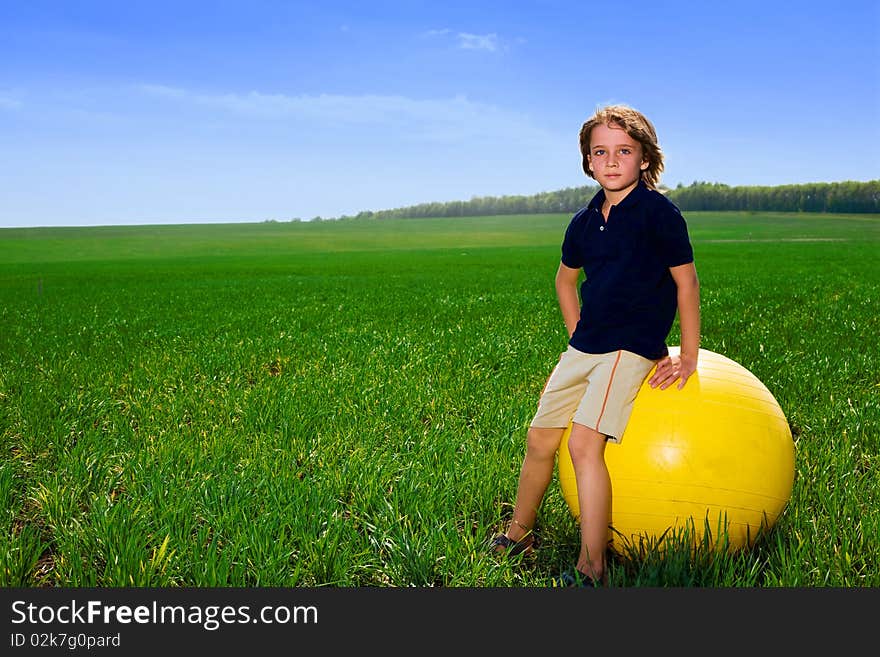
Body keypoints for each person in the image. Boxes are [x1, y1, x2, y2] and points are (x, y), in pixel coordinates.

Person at [491, 104, 700, 586]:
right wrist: (576, 335)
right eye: (600, 152)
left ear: (645, 158)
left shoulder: (660, 214)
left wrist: (687, 355)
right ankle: (518, 532)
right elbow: (565, 282)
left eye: (624, 151)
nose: (611, 161)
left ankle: (592, 567)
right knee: (540, 438)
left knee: (585, 443)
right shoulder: (584, 222)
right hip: (586, 346)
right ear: (588, 161)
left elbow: (686, 285)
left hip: (631, 346)